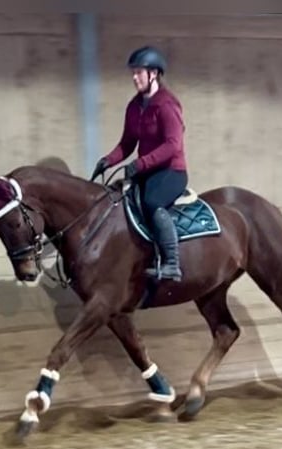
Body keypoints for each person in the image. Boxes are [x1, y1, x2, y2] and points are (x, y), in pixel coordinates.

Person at [92, 45, 188, 282]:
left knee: (151, 202)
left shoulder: (166, 105)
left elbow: (172, 145)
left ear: (153, 73)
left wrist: (140, 164)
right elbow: (127, 143)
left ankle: (172, 263)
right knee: (118, 198)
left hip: (171, 171)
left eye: (139, 73)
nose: (134, 78)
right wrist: (107, 160)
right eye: (133, 73)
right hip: (147, 170)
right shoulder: (134, 106)